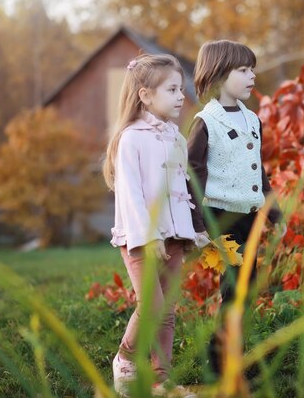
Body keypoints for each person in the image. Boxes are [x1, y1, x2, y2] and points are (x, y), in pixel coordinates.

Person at [102, 53, 209, 397]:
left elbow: (182, 190)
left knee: (167, 312)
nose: (181, 96)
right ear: (146, 95)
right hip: (140, 239)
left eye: (182, 89)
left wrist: (194, 229)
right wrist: (148, 237)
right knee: (153, 306)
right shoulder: (131, 138)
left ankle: (162, 380)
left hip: (174, 237)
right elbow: (131, 194)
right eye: (173, 89)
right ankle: (126, 360)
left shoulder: (175, 138)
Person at [187, 40, 286, 375]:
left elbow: (258, 172)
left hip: (250, 218)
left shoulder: (252, 120)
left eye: (252, 69)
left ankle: (234, 354)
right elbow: (193, 175)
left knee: (246, 287)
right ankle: (221, 363)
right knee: (236, 285)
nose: (251, 76)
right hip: (220, 220)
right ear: (218, 75)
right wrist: (197, 224)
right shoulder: (206, 122)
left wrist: (275, 213)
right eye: (242, 70)